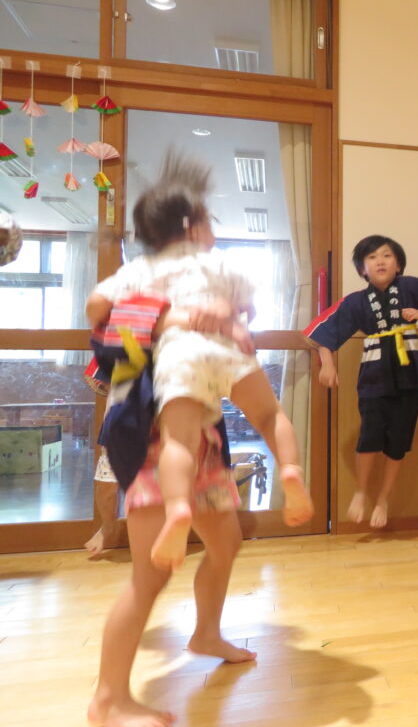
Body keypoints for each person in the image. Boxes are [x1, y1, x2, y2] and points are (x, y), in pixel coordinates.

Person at [86, 151, 314, 569]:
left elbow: (96, 306)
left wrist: (156, 311)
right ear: (192, 227)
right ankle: (291, 471)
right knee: (270, 416)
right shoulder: (219, 261)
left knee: (179, 442)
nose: (214, 231)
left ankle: (177, 508)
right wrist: (233, 316)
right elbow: (248, 309)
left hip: (179, 357)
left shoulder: (140, 269)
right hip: (228, 350)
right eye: (211, 222)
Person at [86, 295, 281, 727]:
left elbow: (261, 400)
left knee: (226, 544)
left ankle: (207, 633)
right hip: (153, 452)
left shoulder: (211, 307)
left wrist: (232, 314)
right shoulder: (146, 296)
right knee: (150, 576)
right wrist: (188, 317)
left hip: (205, 450)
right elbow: (104, 312)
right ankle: (108, 699)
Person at [305, 235, 418, 528]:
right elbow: (321, 330)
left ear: (398, 264)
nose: (380, 261)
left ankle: (383, 498)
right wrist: (328, 363)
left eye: (387, 255)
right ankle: (362, 492)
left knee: (398, 442)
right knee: (369, 437)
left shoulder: (412, 287)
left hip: (409, 378)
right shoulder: (356, 301)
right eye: (372, 257)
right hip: (373, 378)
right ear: (362, 269)